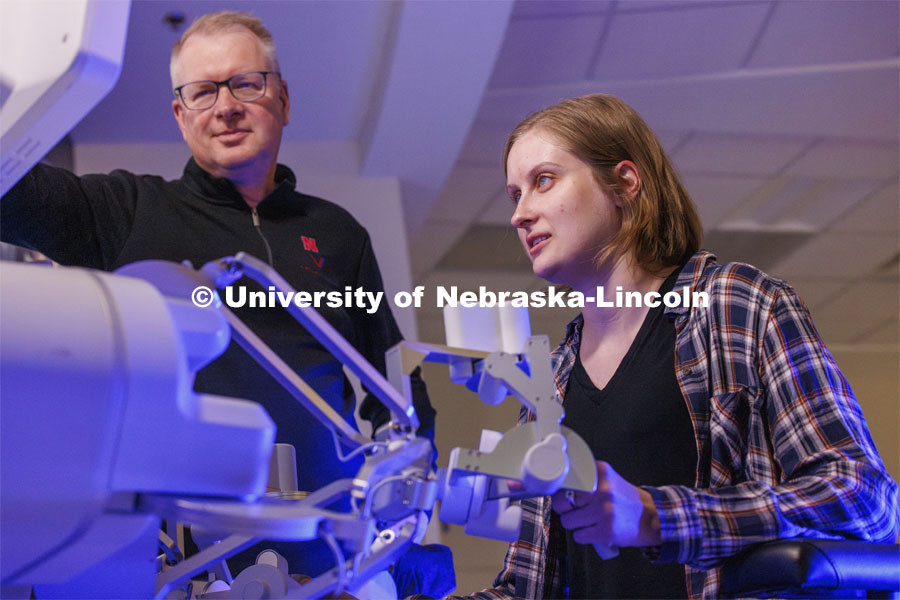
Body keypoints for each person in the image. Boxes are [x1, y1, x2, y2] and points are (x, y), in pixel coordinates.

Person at [0, 10, 436, 580]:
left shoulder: (338, 234)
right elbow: (15, 190)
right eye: (203, 92)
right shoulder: (124, 211)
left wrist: (401, 511)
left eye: (245, 84)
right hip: (178, 562)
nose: (225, 106)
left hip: (324, 557)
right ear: (182, 116)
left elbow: (392, 378)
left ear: (282, 99)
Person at [459, 94, 899, 599]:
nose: (519, 214)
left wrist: (656, 517)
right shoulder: (547, 382)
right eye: (514, 193)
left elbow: (866, 499)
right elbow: (528, 588)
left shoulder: (738, 306)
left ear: (624, 182)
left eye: (543, 181)